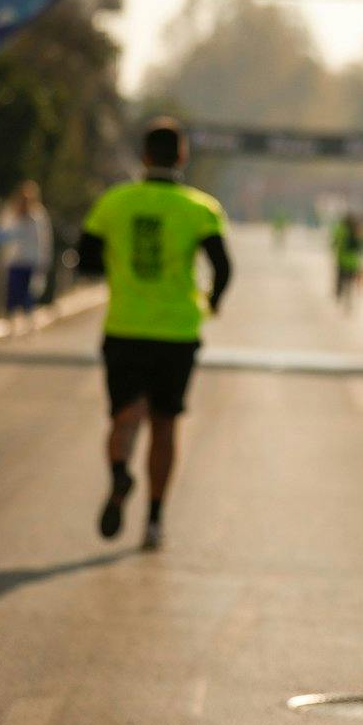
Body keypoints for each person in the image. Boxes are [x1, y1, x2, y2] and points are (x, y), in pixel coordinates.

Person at [78, 120, 231, 551]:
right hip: (178, 332)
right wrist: (212, 303)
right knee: (165, 425)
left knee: (125, 416)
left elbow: (86, 260)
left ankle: (119, 475)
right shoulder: (200, 207)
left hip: (124, 326)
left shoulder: (113, 202)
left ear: (144, 156)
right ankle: (154, 519)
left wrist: (123, 272)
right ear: (181, 158)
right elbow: (223, 267)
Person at [4, 182, 52, 317]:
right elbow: (6, 235)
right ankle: (12, 323)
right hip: (15, 261)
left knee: (28, 297)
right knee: (13, 296)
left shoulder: (38, 216)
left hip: (31, 262)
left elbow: (44, 241)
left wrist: (43, 263)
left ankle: (27, 323)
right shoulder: (13, 215)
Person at [330, 212, 363, 310]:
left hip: (342, 259)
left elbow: (335, 241)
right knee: (350, 281)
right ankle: (348, 298)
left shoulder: (342, 230)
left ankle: (339, 293)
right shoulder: (358, 231)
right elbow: (362, 245)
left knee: (341, 279)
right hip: (354, 261)